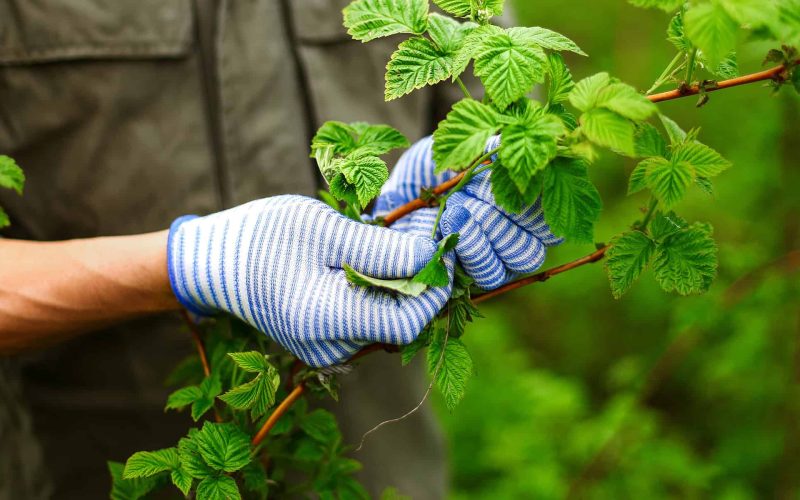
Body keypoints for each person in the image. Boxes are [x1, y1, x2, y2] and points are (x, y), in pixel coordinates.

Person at [0, 1, 558, 497]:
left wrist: (495, 194)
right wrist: (188, 265)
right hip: (88, 470)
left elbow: (514, 136)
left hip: (379, 472)